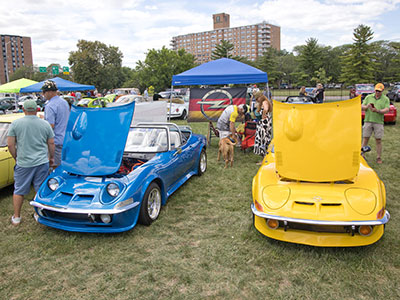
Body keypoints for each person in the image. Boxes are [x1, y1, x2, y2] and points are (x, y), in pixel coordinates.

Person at [7, 100, 55, 226]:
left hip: (23, 162)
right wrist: (51, 157)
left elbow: (10, 144)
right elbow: (51, 143)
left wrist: (16, 157)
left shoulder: (15, 124)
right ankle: (38, 214)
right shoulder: (45, 124)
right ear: (36, 110)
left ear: (23, 109)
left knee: (19, 190)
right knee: (40, 189)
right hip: (41, 161)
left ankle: (17, 216)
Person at [42, 80, 70, 168]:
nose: (43, 94)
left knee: (56, 168)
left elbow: (50, 126)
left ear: (49, 92)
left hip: (56, 141)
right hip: (66, 138)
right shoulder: (64, 102)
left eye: (44, 92)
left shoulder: (50, 106)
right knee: (66, 166)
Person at [361, 83, 390, 164]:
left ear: (382, 91)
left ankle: (378, 157)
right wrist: (367, 107)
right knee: (365, 138)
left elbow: (387, 109)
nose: (377, 92)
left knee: (378, 140)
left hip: (378, 122)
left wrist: (378, 111)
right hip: (368, 120)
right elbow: (361, 106)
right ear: (374, 90)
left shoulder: (385, 99)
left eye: (379, 91)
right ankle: (362, 155)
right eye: (376, 90)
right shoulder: (368, 97)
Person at [253, 92, 272, 164]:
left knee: (263, 140)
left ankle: (264, 159)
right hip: (264, 123)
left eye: (257, 98)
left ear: (260, 97)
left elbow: (265, 109)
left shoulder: (264, 102)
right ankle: (265, 159)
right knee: (264, 139)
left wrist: (263, 115)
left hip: (264, 124)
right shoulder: (265, 102)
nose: (257, 100)